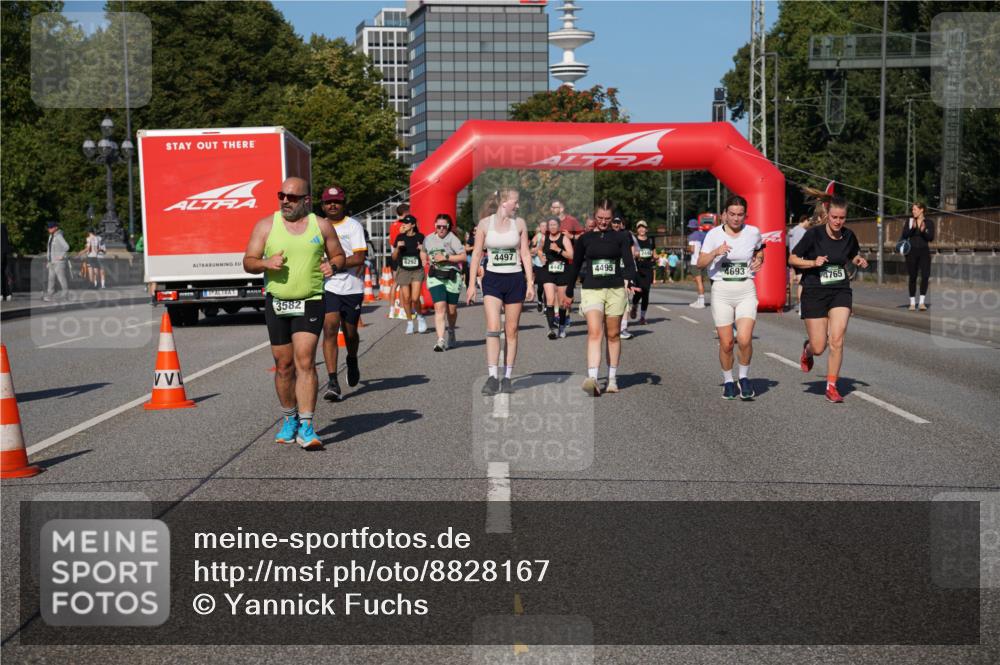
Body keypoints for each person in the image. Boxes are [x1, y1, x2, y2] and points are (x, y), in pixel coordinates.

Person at [243, 177, 346, 449]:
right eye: (282, 196)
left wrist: (333, 266)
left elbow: (338, 255)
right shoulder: (266, 225)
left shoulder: (320, 225)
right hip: (277, 302)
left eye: (292, 197)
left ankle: (307, 426)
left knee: (305, 361)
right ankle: (290, 418)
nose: (285, 201)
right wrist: (266, 263)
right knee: (283, 365)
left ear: (306, 200)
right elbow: (248, 262)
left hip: (310, 300)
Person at [788, 196, 868, 404]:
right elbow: (792, 258)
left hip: (840, 290)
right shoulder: (813, 235)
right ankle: (807, 350)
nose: (838, 221)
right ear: (828, 215)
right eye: (834, 217)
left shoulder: (849, 236)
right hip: (814, 291)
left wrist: (858, 260)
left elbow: (851, 255)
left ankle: (831, 386)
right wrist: (812, 263)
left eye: (842, 218)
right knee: (819, 347)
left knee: (837, 339)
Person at [562, 199, 639, 396]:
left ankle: (612, 379)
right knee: (595, 332)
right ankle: (593, 379)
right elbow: (575, 265)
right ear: (594, 217)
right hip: (592, 289)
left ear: (613, 218)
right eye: (600, 218)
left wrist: (630, 280)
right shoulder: (585, 239)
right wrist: (569, 291)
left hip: (615, 290)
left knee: (613, 335)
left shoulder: (621, 237)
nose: (603, 222)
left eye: (607, 219)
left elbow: (629, 263)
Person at [465, 188, 534, 395]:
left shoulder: (519, 224)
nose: (518, 205)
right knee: (493, 327)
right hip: (493, 280)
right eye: (515, 201)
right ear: (504, 202)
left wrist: (530, 282)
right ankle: (493, 376)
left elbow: (525, 254)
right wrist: (471, 285)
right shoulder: (484, 224)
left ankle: (507, 377)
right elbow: (476, 254)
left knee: (511, 330)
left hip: (515, 279)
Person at [697, 195, 764, 400]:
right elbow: (700, 263)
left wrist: (759, 260)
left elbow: (760, 250)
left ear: (745, 215)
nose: (736, 218)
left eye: (740, 214)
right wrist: (716, 252)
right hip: (722, 291)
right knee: (726, 343)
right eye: (732, 214)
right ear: (725, 214)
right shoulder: (714, 235)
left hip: (745, 290)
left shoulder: (753, 232)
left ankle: (743, 378)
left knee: (744, 339)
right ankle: (728, 381)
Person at [318, 185, 367, 403]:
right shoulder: (317, 226)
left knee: (350, 334)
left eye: (336, 202)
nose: (332, 205)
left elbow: (359, 258)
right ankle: (332, 382)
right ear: (322, 205)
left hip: (352, 287)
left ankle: (352, 358)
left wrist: (334, 265)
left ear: (343, 204)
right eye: (328, 202)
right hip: (329, 286)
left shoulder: (353, 226)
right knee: (329, 327)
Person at [423, 213, 466, 351]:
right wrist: (424, 260)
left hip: (452, 276)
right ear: (435, 226)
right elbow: (423, 251)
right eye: (438, 226)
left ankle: (451, 331)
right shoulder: (428, 239)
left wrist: (446, 257)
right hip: (435, 276)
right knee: (439, 307)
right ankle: (440, 340)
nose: (441, 229)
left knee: (451, 311)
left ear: (448, 227)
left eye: (444, 226)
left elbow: (463, 257)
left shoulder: (453, 239)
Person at [536, 216, 574, 339]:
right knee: (550, 300)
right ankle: (551, 329)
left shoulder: (564, 239)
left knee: (562, 303)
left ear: (559, 226)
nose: (552, 227)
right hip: (548, 272)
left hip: (563, 272)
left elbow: (571, 255)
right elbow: (539, 250)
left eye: (554, 225)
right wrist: (541, 257)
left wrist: (558, 250)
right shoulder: (544, 238)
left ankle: (561, 327)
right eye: (550, 225)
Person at [391, 214, 428, 334]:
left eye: (406, 223)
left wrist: (422, 249)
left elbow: (426, 254)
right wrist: (398, 248)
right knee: (406, 299)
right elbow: (394, 257)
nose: (404, 225)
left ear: (412, 225)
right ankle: (410, 322)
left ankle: (420, 317)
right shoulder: (400, 237)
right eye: (403, 223)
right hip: (403, 270)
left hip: (417, 270)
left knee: (415, 298)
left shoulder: (420, 237)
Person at [901, 201, 935, 311]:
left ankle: (921, 302)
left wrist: (923, 231)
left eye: (915, 209)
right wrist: (912, 229)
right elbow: (904, 235)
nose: (913, 211)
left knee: (925, 276)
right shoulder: (910, 221)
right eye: (912, 209)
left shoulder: (929, 222)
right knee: (913, 276)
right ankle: (912, 303)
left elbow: (931, 238)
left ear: (921, 210)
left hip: (924, 251)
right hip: (911, 252)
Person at [613, 216, 638, 340]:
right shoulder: (606, 234)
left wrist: (631, 263)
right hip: (611, 272)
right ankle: (611, 327)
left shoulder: (627, 235)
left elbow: (632, 251)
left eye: (619, 222)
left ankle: (623, 328)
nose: (616, 224)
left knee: (625, 299)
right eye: (614, 222)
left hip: (624, 271)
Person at [630, 220, 655, 325]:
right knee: (639, 291)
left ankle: (642, 317)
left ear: (646, 229)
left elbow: (654, 253)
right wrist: (637, 254)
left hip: (648, 269)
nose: (641, 229)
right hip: (637, 269)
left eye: (643, 227)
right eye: (639, 227)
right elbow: (632, 254)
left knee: (646, 293)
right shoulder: (634, 240)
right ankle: (634, 305)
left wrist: (656, 257)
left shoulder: (650, 240)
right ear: (637, 229)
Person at [43, 221, 70, 301]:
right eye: (48, 227)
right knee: (51, 279)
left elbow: (66, 247)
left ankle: (65, 295)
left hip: (59, 262)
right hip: (51, 262)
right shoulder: (50, 236)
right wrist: (48, 260)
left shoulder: (59, 236)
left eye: (51, 227)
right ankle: (50, 295)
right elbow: (49, 249)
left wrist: (61, 256)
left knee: (61, 279)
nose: (49, 229)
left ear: (56, 227)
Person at [686, 219, 708, 308]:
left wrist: (687, 248)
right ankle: (699, 300)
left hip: (695, 262)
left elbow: (692, 250)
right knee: (701, 281)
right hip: (704, 261)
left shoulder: (691, 236)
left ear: (691, 227)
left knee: (698, 282)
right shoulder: (704, 235)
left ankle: (701, 302)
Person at [531, 222, 546, 311]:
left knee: (548, 285)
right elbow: (530, 250)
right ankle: (540, 300)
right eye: (542, 226)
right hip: (539, 264)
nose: (544, 227)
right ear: (540, 227)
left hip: (548, 264)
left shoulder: (551, 236)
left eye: (546, 226)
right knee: (541, 286)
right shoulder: (537, 237)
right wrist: (539, 248)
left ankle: (547, 307)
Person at [1, 223, 12, 301]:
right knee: (4, 273)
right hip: (5, 253)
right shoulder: (3, 226)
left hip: (2, 253)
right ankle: (7, 293)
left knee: (3, 273)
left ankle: (2, 293)